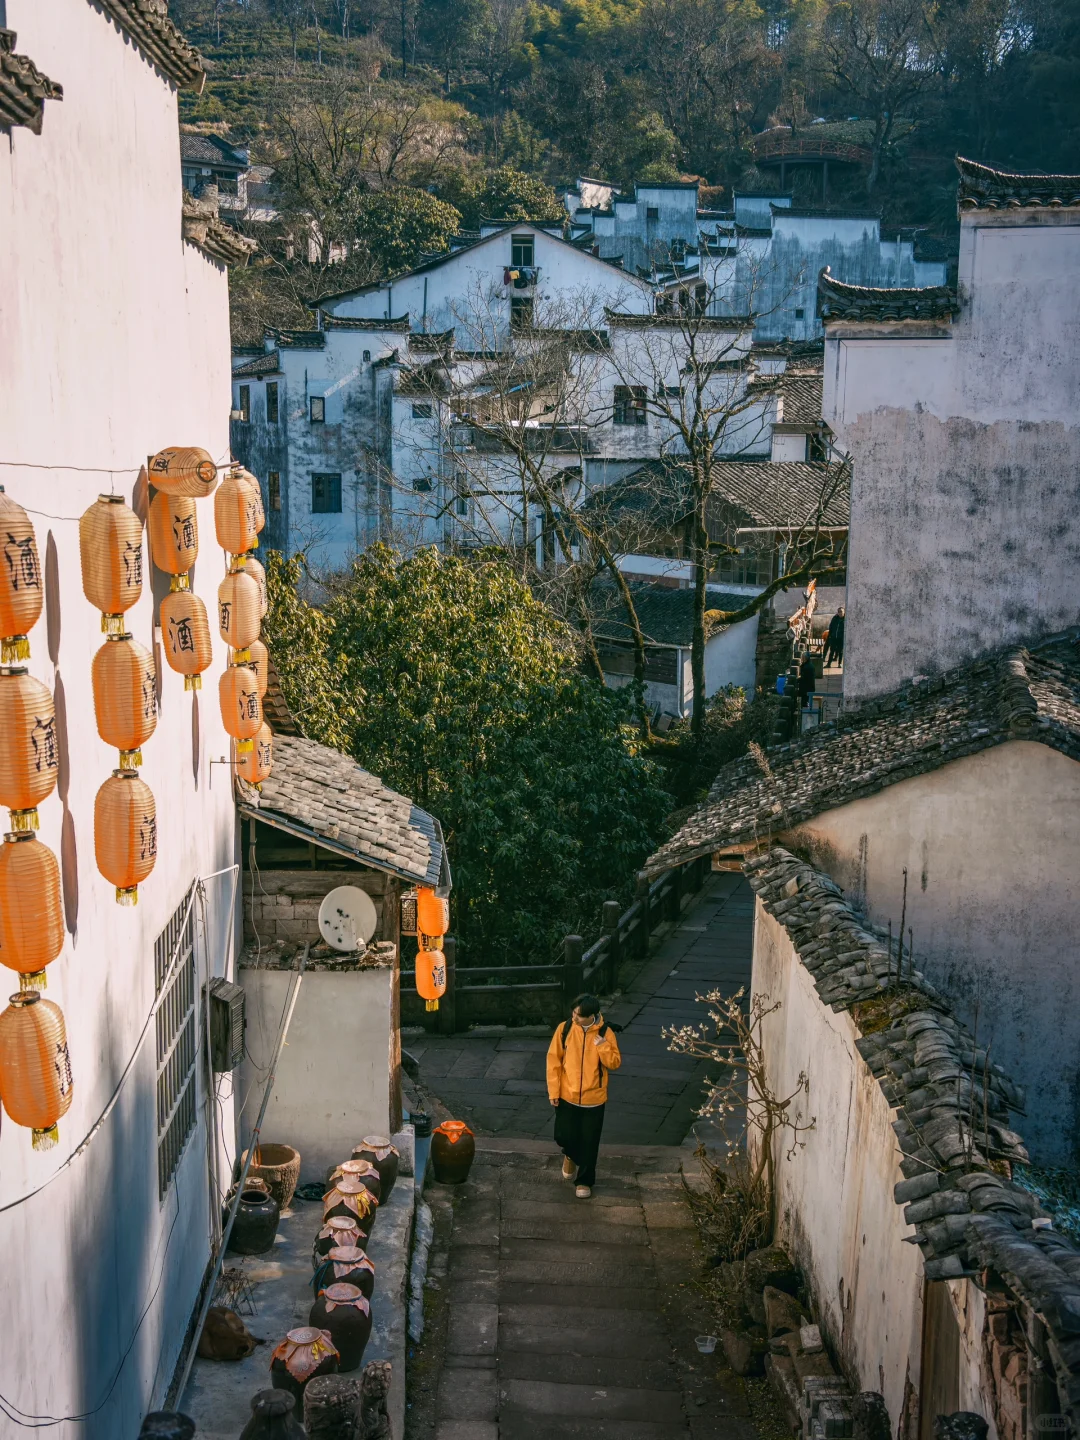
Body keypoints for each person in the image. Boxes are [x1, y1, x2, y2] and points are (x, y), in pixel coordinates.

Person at [546, 993, 621, 1199]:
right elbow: (553, 1061)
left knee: (590, 1142)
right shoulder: (565, 1029)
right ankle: (570, 1154)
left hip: (594, 1099)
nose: (574, 1017)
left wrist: (602, 1046)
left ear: (591, 1016)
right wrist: (554, 1091)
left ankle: (584, 1182)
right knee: (562, 1136)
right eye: (574, 1012)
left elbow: (614, 1062)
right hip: (566, 1095)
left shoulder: (606, 1032)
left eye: (579, 1015)